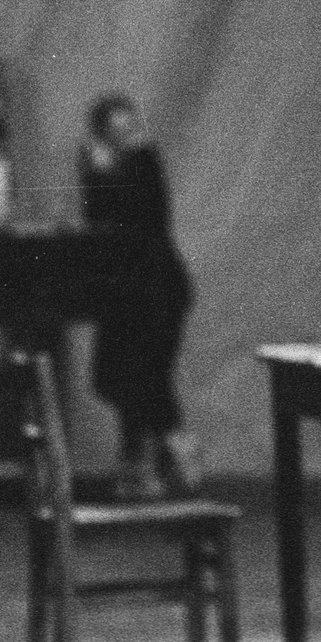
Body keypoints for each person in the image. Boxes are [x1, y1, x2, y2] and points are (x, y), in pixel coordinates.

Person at [79, 94, 200, 500]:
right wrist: (96, 171)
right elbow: (99, 221)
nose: (123, 137)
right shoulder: (102, 166)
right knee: (122, 381)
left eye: (128, 129)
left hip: (156, 291)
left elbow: (145, 218)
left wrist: (109, 168)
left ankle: (161, 458)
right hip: (123, 292)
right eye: (114, 131)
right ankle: (155, 461)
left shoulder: (143, 163)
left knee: (144, 379)